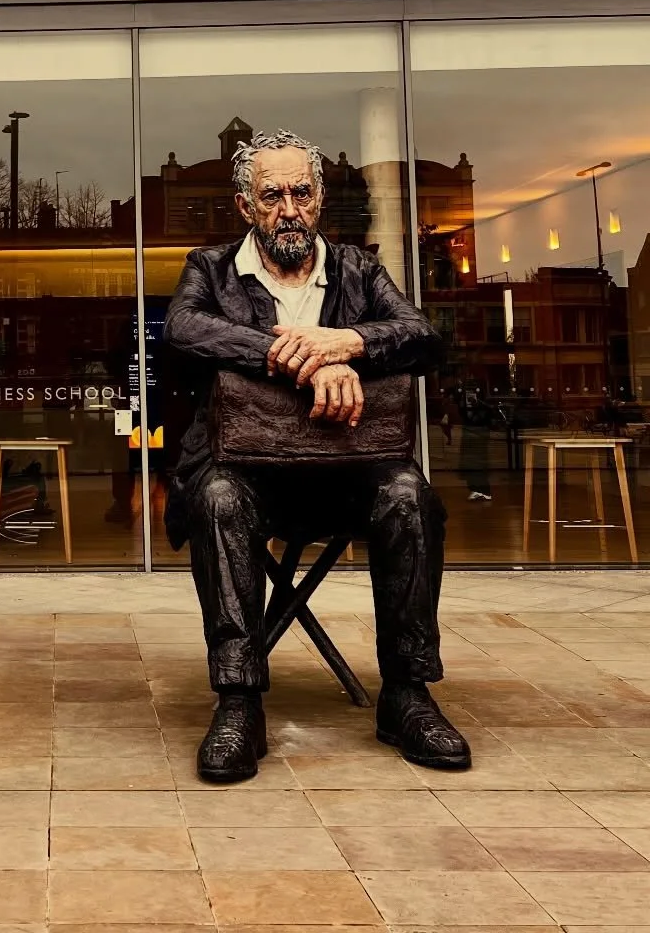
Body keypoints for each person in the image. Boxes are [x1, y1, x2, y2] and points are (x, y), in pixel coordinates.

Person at [163, 128, 471, 784]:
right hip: (246, 474)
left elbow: (422, 337)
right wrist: (301, 361)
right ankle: (239, 701)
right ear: (246, 206)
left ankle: (407, 695)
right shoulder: (210, 269)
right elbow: (186, 331)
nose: (288, 209)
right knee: (216, 500)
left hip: (351, 476)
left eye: (301, 192)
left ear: (321, 198)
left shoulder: (360, 270)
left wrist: (347, 343)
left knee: (411, 497)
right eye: (271, 195)